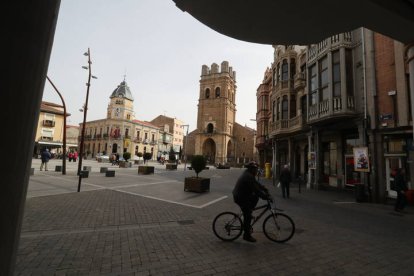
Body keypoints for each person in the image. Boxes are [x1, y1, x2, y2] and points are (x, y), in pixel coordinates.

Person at [232, 161, 270, 242]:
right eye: (256, 169)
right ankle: (246, 235)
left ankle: (249, 210)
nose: (257, 171)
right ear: (252, 169)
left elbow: (256, 184)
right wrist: (265, 197)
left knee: (255, 198)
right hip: (240, 197)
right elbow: (256, 190)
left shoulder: (249, 174)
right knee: (247, 215)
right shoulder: (248, 177)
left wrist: (264, 188)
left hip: (243, 195)